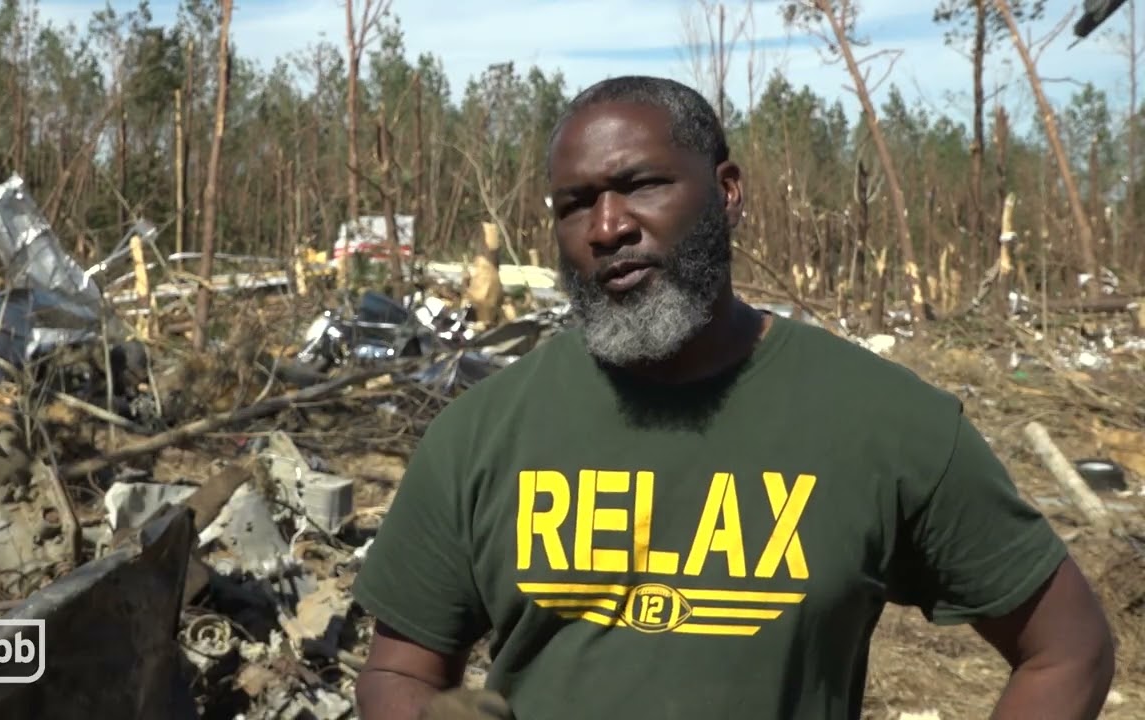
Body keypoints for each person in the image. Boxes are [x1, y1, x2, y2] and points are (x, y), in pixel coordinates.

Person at [350, 75, 1116, 720]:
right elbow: (399, 671)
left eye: (641, 184)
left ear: (727, 191)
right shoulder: (481, 435)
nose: (608, 225)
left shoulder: (885, 424)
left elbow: (1067, 648)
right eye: (575, 204)